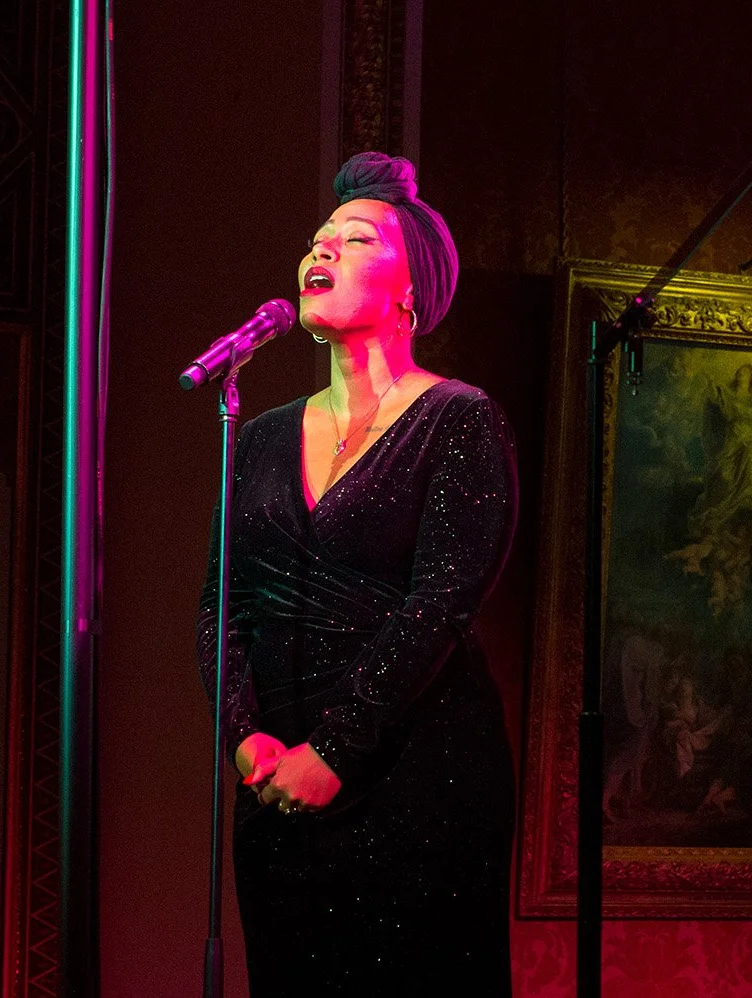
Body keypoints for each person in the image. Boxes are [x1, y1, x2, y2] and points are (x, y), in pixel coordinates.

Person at [197, 151, 517, 994]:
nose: (322, 250)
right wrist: (244, 737)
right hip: (276, 784)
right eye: (317, 239)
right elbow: (220, 605)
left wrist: (335, 749)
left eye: (356, 236)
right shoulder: (262, 433)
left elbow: (442, 602)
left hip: (415, 775)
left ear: (414, 285)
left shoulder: (459, 418)